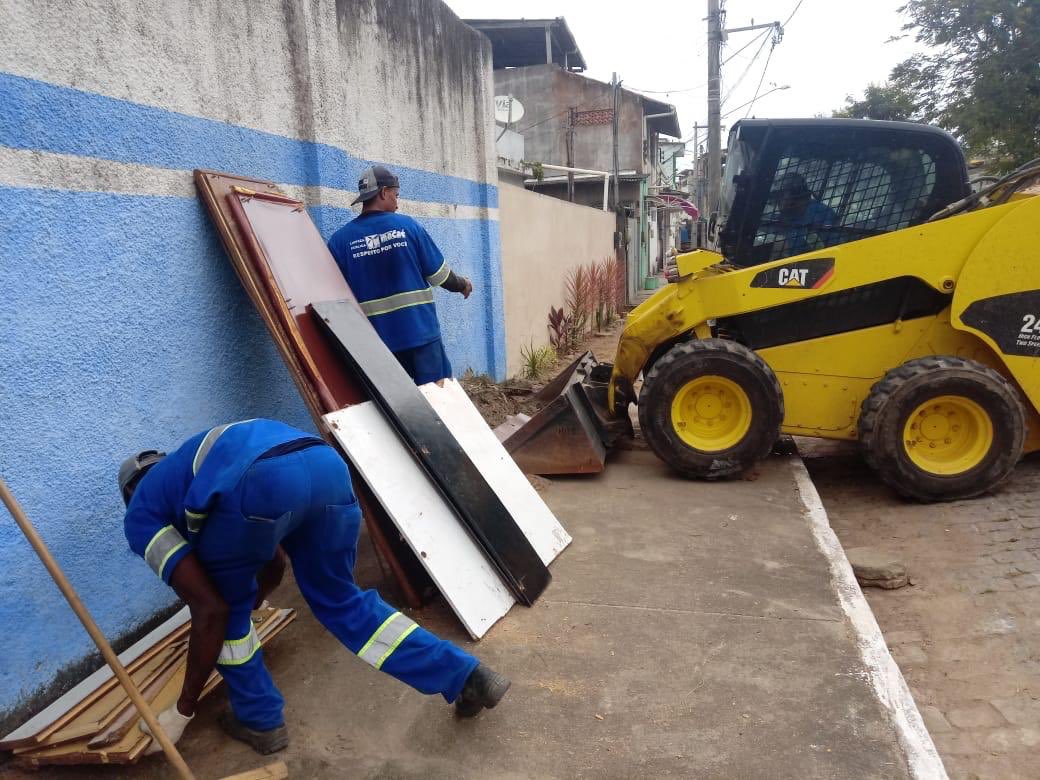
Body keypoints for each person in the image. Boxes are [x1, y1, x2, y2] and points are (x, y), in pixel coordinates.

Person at [119, 419, 509, 755]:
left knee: (227, 620)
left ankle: (261, 720)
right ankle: (466, 676)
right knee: (343, 601)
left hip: (260, 482)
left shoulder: (142, 514)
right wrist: (255, 597)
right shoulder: (190, 468)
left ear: (130, 494)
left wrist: (182, 709)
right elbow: (273, 561)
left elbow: (210, 610)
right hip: (324, 466)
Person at [327, 166, 472, 385]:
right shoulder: (408, 226)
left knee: (398, 408)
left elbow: (335, 297)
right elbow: (440, 276)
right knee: (439, 398)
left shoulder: (339, 241)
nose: (397, 202)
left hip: (378, 344)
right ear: (384, 193)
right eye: (396, 195)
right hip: (421, 335)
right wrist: (463, 284)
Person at [773, 172, 839, 257]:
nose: (777, 201)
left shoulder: (819, 213)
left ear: (795, 194)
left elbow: (820, 247)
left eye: (781, 195)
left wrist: (784, 245)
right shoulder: (791, 212)